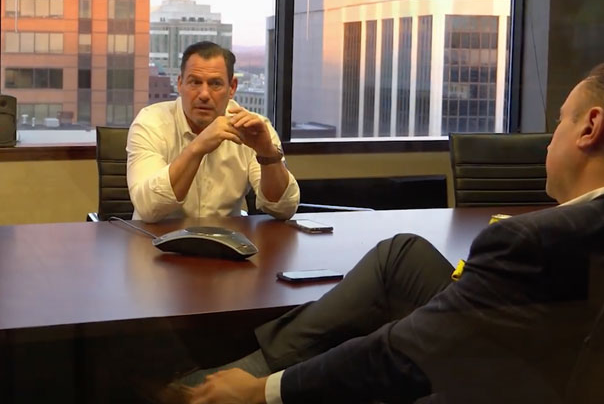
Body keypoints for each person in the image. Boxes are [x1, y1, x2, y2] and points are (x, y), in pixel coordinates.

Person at [186, 64, 604, 404]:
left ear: (589, 128)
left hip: (518, 383)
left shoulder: (529, 242)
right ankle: (257, 365)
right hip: (548, 356)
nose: (550, 139)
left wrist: (264, 393)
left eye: (560, 121)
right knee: (402, 254)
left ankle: (247, 380)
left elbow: (399, 353)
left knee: (388, 342)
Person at [127, 41, 299, 222]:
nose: (203, 94)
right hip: (155, 242)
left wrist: (268, 154)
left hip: (225, 242)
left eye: (215, 84)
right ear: (180, 84)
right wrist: (197, 148)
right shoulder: (151, 122)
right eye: (194, 82)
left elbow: (284, 208)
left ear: (232, 87)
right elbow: (148, 208)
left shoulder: (253, 128)